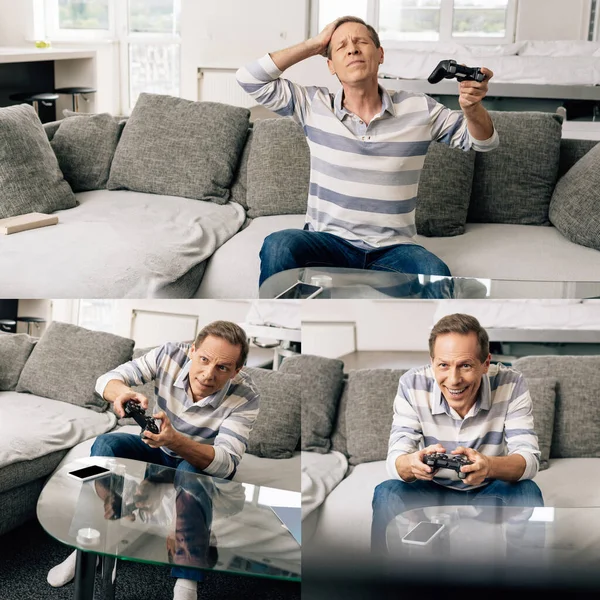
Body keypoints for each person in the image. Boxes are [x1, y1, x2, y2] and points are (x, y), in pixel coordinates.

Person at [237, 16, 499, 288]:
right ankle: (276, 327)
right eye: (340, 47)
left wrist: (472, 109)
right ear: (330, 66)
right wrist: (314, 44)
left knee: (435, 271)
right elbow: (249, 78)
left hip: (393, 249)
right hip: (329, 243)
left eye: (361, 41)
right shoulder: (312, 105)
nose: (352, 49)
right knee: (279, 245)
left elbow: (483, 142)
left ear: (380, 54)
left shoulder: (419, 108)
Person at [47, 320, 260, 600]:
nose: (208, 374)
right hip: (156, 445)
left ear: (237, 371)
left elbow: (226, 463)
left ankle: (187, 583)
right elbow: (104, 381)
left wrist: (177, 441)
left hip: (198, 458)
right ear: (193, 350)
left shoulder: (247, 396)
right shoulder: (169, 354)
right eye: (204, 359)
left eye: (222, 368)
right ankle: (89, 546)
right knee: (106, 443)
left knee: (192, 476)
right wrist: (121, 393)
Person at [371, 313, 543, 553]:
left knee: (528, 492)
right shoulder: (411, 384)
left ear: (486, 363)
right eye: (443, 365)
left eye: (466, 365)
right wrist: (412, 464)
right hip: (432, 488)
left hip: (489, 489)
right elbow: (396, 458)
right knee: (386, 492)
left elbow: (530, 460)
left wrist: (489, 466)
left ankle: (522, 576)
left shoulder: (511, 384)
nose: (453, 380)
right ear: (432, 363)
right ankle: (383, 580)